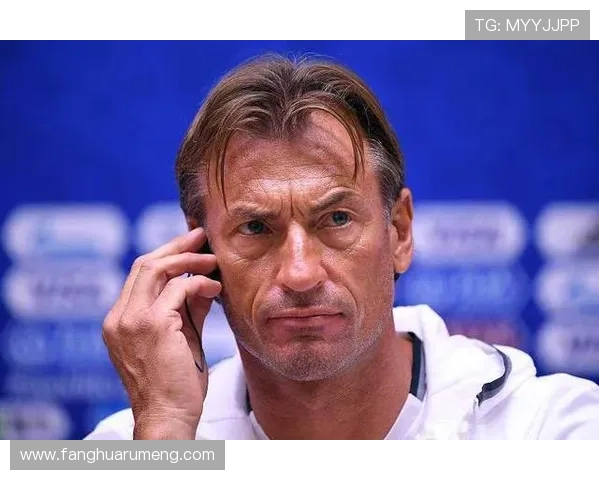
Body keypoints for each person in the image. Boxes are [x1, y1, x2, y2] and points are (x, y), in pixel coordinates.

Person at [85, 54, 600, 440]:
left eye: (336, 219)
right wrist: (168, 427)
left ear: (399, 232)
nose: (300, 273)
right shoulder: (136, 444)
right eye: (256, 228)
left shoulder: (556, 430)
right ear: (202, 252)